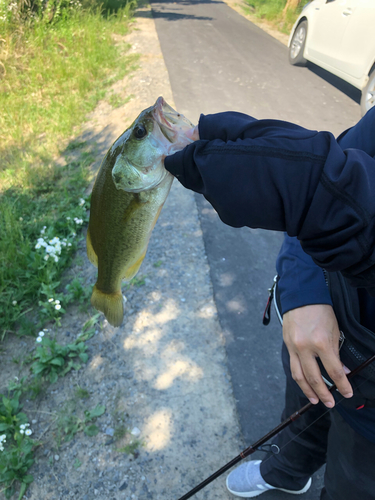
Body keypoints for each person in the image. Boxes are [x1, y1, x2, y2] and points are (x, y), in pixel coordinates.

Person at [164, 107, 375, 500]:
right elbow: (328, 182)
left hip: (370, 426)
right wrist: (305, 292)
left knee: (350, 485)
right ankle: (286, 472)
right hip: (317, 335)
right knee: (299, 418)